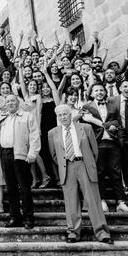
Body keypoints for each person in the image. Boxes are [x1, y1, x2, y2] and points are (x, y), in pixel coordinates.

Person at [48, 104, 113, 244]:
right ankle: (73, 232)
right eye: (59, 115)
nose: (63, 117)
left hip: (84, 165)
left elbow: (94, 151)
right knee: (71, 202)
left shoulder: (85, 128)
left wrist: (88, 163)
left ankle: (102, 232)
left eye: (65, 114)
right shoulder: (53, 133)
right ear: (57, 117)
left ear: (70, 115)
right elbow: (54, 155)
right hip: (67, 167)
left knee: (93, 200)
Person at [82, 83, 128, 213]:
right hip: (97, 143)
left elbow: (117, 123)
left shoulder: (112, 106)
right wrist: (106, 125)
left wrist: (99, 122)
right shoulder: (87, 106)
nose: (99, 92)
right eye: (96, 90)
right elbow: (85, 124)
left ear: (105, 92)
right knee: (100, 172)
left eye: (101, 90)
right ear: (92, 93)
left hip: (112, 143)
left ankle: (120, 202)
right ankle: (102, 200)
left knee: (116, 172)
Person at [0, 94, 40, 229]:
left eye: (13, 100)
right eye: (8, 101)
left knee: (24, 188)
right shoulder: (2, 117)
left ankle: (28, 217)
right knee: (10, 188)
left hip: (20, 153)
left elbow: (34, 136)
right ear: (5, 104)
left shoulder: (27, 116)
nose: (10, 103)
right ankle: (15, 217)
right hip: (4, 153)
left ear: (18, 102)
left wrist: (32, 153)